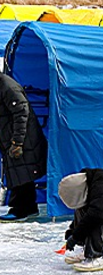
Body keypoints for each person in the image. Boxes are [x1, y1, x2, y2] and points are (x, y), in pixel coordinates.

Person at [0, 71, 47, 221]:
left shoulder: (7, 85)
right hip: (10, 136)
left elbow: (21, 111)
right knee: (18, 172)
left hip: (22, 137)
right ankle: (27, 207)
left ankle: (21, 209)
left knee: (22, 171)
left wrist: (17, 141)